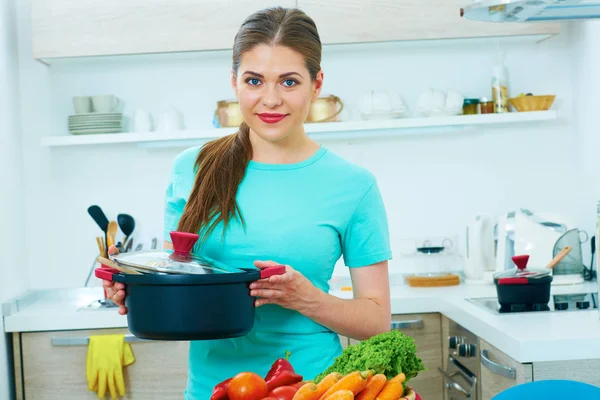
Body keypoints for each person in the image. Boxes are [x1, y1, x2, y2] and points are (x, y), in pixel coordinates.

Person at [102, 6, 392, 399]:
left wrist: (306, 299)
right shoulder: (191, 168)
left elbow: (376, 321)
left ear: (317, 83)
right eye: (254, 80)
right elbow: (181, 278)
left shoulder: (353, 186)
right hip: (213, 389)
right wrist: (133, 289)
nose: (270, 100)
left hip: (312, 389)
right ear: (234, 81)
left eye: (289, 82)